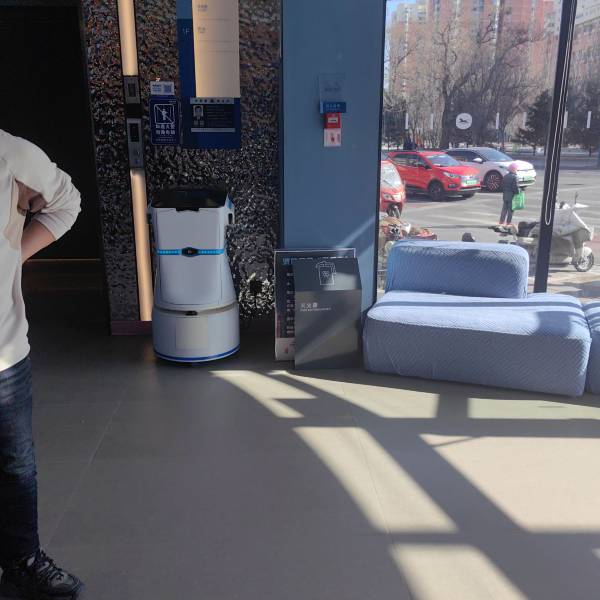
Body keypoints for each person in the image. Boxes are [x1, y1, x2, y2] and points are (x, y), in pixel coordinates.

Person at [0, 129, 84, 599]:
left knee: (15, 466)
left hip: (3, 351)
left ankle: (22, 562)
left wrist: (15, 258)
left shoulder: (9, 155)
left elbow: (66, 202)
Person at [500, 162, 521, 226]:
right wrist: (518, 192)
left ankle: (501, 222)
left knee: (504, 209)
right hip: (512, 196)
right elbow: (515, 187)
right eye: (517, 169)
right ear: (514, 169)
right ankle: (508, 222)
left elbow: (502, 186)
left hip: (505, 195)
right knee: (511, 210)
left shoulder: (505, 176)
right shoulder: (515, 177)